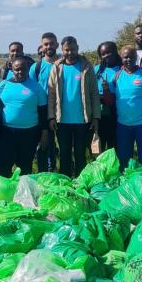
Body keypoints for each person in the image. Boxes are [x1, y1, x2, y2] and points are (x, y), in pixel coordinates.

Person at [47, 36, 100, 178]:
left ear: (78, 48)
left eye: (73, 49)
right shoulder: (57, 67)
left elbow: (94, 93)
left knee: (80, 153)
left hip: (83, 120)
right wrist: (51, 116)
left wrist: (96, 117)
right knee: (64, 153)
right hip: (61, 120)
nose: (70, 52)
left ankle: (80, 181)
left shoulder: (87, 66)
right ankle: (65, 181)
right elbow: (51, 93)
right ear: (62, 50)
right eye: (67, 50)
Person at [0, 56, 47, 176]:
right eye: (17, 69)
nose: (20, 72)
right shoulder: (4, 84)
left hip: (29, 134)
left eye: (23, 69)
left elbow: (43, 112)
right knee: (3, 166)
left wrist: (44, 132)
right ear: (12, 69)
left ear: (28, 69)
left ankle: (23, 193)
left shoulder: (37, 88)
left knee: (25, 167)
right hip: (6, 132)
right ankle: (3, 193)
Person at [110, 46, 142, 169]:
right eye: (126, 57)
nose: (129, 59)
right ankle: (126, 183)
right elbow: (110, 100)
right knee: (124, 159)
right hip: (123, 125)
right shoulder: (116, 76)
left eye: (132, 56)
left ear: (136, 57)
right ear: (121, 58)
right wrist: (105, 90)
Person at [29, 32, 60, 171]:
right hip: (43, 109)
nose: (49, 46)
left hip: (63, 109)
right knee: (44, 142)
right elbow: (30, 88)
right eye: (46, 44)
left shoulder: (64, 64)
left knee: (63, 144)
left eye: (52, 43)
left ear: (57, 45)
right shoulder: (36, 67)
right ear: (42, 46)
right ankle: (44, 173)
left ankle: (60, 170)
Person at [94, 41, 121, 153]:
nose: (106, 55)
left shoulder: (122, 69)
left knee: (114, 143)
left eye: (109, 52)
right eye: (103, 54)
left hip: (116, 110)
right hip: (100, 111)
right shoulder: (96, 70)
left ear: (115, 51)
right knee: (100, 142)